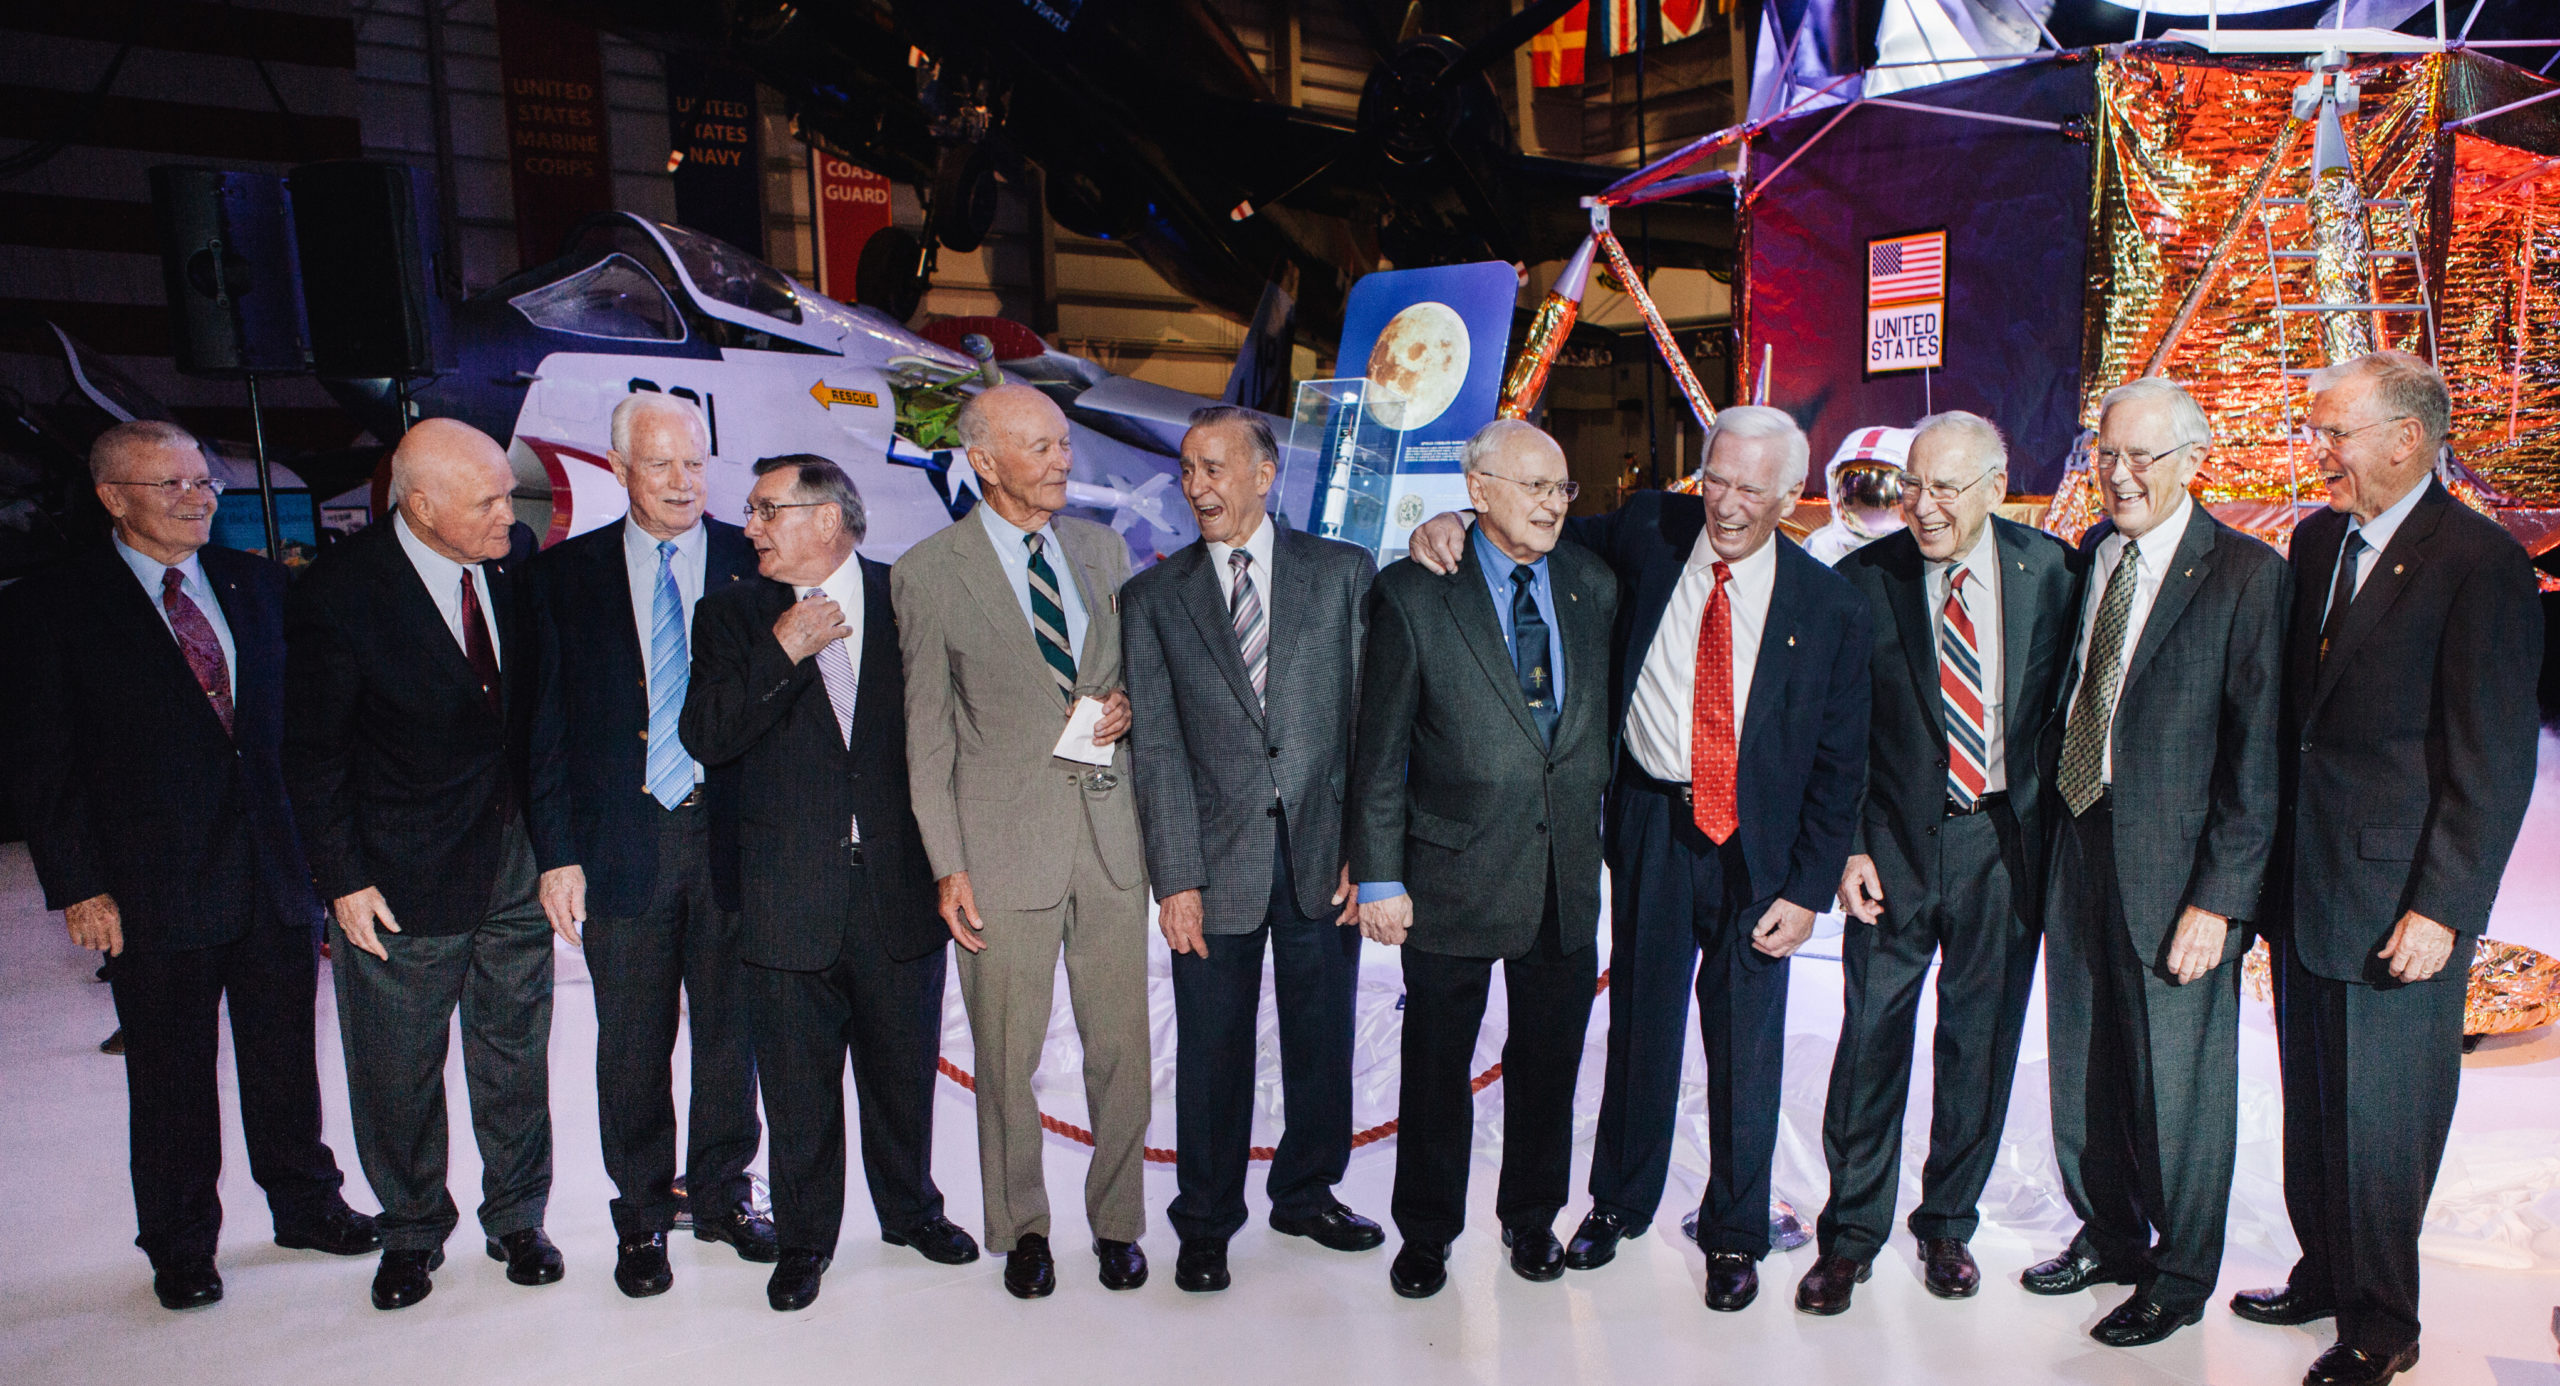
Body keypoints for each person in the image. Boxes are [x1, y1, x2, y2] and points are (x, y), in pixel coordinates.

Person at [1405, 404, 1871, 1314]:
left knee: (1746, 1044)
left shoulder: (1830, 605)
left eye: (1751, 489)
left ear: (1791, 496)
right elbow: (1532, 526)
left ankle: (1734, 1233)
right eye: (1716, 480)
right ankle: (1618, 1202)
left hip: (1761, 850)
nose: (1726, 505)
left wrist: (1809, 889)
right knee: (1640, 1026)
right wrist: (1456, 517)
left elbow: (1839, 758)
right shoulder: (1652, 527)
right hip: (1653, 823)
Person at [0, 421, 376, 1311]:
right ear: (111, 497)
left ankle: (305, 1205)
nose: (196, 498)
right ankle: (179, 1242)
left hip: (274, 872)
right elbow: (42, 763)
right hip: (150, 885)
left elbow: (298, 733)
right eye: (169, 484)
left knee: (285, 1060)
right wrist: (80, 886)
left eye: (203, 481)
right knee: (170, 1074)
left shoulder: (258, 585)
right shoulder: (52, 606)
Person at [2235, 352, 2541, 1386]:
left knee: (2385, 1123)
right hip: (2306, 888)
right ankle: (2324, 1273)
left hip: (2398, 901)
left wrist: (2443, 907)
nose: (2316, 450)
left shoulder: (2479, 563)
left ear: (2406, 438)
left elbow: (2491, 763)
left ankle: (2381, 1324)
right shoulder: (2317, 540)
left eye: (2334, 432)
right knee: (2317, 1102)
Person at [2025, 376, 2288, 1347]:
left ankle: (2179, 1278)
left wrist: (2219, 901)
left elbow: (2257, 759)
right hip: (2078, 841)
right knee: (2086, 1061)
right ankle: (2108, 1235)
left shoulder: (2245, 575)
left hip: (2179, 875)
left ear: (2193, 460)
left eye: (2143, 456)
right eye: (2107, 455)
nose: (2121, 474)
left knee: (2179, 1087)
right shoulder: (2093, 554)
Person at [682, 454, 978, 1312]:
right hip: (785, 894)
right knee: (797, 1087)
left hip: (899, 886)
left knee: (902, 1073)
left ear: (826, 518)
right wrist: (783, 650)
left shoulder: (908, 597)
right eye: (751, 511)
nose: (749, 527)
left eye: (765, 509)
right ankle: (805, 1240)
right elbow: (707, 734)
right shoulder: (731, 615)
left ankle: (911, 1211)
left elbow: (963, 726)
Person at [1796, 412, 2077, 1315]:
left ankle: (1948, 1223)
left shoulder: (2053, 573)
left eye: (1946, 487)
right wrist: (1846, 846)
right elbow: (1834, 733)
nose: (1923, 506)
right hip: (1890, 849)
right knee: (1871, 1039)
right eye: (1913, 484)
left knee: (1978, 1045)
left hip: (2004, 846)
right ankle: (1849, 1236)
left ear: (1996, 488)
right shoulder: (1860, 580)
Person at [282, 417, 559, 1310]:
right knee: (396, 1069)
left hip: (513, 861)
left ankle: (518, 1217)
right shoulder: (339, 595)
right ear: (421, 505)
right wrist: (342, 879)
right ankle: (410, 1230)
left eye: (508, 494)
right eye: (486, 502)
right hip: (398, 875)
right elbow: (313, 754)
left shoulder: (512, 565)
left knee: (514, 1054)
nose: (508, 515)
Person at [1348, 419, 1619, 1300]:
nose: (1553, 504)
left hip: (1562, 876)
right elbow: (1379, 751)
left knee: (1550, 1066)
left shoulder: (1592, 583)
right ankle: (1426, 1233)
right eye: (1533, 486)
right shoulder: (1414, 592)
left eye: (1561, 487)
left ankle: (1531, 1218)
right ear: (1478, 490)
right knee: (1436, 1069)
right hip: (1450, 875)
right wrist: (1380, 876)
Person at [892, 382, 1148, 1299]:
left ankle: (1118, 1224)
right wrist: (948, 864)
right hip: (1000, 852)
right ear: (985, 462)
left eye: (1063, 443)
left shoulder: (1104, 551)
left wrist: (1127, 707)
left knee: (1123, 1050)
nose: (1062, 460)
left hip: (1111, 837)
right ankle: (1022, 1228)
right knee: (1007, 1058)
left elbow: (1137, 672)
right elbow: (927, 738)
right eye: (1040, 447)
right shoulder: (928, 572)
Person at [1122, 407, 1381, 1294]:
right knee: (1211, 1052)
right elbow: (1157, 751)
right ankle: (1204, 1221)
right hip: (1212, 865)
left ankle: (1306, 1194)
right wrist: (1175, 879)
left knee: (1322, 1039)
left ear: (1264, 476)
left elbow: (1370, 725)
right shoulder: (1152, 600)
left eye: (1215, 468)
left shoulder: (1343, 573)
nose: (1197, 487)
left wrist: (1366, 850)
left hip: (1323, 858)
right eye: (1188, 470)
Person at [523, 394, 770, 1298]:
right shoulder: (562, 576)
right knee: (631, 1042)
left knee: (732, 1033)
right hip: (620, 844)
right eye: (660, 464)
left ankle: (723, 1196)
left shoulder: (755, 564)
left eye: (694, 464)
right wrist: (557, 855)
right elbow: (542, 731)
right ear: (620, 469)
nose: (681, 482)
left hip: (733, 840)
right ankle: (640, 1214)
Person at [1803, 425, 1915, 566]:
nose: (1871, 490)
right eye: (1856, 481)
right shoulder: (1822, 548)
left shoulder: (1919, 548)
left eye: (1881, 481)